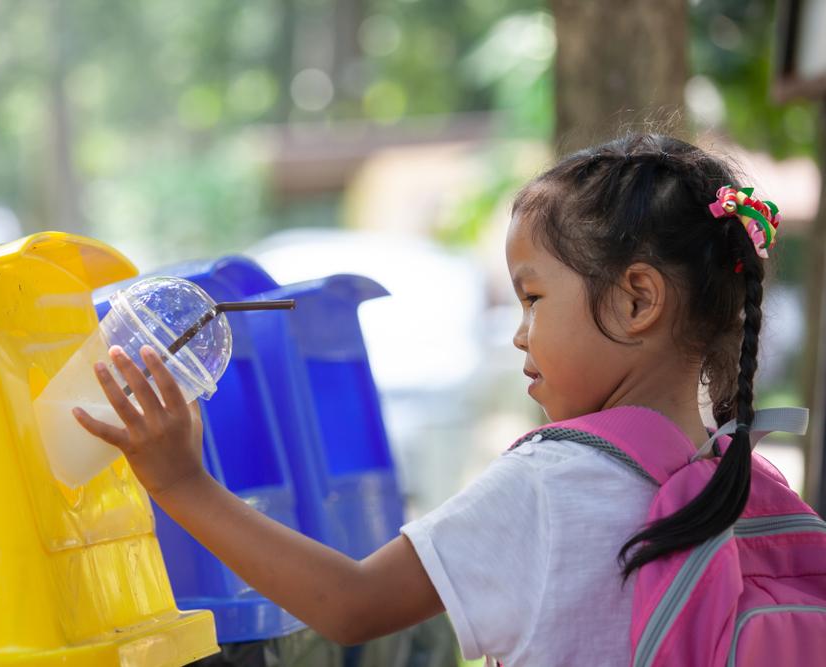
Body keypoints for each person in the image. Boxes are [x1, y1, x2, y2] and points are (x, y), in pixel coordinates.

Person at [72, 133, 788, 665]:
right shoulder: (747, 485)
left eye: (533, 297)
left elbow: (350, 606)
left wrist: (180, 480)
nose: (518, 335)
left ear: (638, 299)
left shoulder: (551, 482)